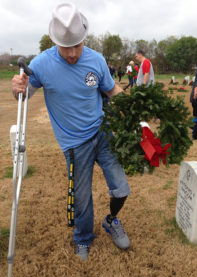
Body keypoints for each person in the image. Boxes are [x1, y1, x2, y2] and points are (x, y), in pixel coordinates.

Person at [11, 3, 130, 261]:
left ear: (84, 38)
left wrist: (132, 105)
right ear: (56, 42)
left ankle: (111, 221)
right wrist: (18, 88)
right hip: (74, 144)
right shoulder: (41, 64)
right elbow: (24, 96)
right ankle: (83, 238)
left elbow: (111, 90)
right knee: (82, 198)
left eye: (78, 45)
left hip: (104, 133)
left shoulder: (97, 60)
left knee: (121, 189)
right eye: (67, 47)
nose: (73, 53)